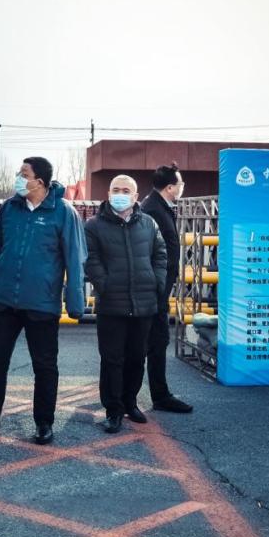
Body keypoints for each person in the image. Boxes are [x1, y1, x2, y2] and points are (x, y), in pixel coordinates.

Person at [0, 157, 86, 445]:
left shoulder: (63, 212)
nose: (18, 178)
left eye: (24, 174)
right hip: (6, 300)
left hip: (42, 304)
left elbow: (75, 258)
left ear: (39, 182)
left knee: (44, 366)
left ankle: (44, 423)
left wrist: (75, 304)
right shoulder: (10, 208)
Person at [85, 175, 167, 434]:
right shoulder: (94, 225)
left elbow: (160, 255)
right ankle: (113, 410)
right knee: (112, 359)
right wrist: (105, 284)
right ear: (109, 193)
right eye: (116, 190)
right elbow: (91, 260)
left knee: (136, 357)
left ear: (135, 196)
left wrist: (157, 283)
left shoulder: (149, 223)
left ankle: (130, 402)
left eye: (126, 190)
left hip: (144, 303)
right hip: (112, 304)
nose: (120, 194)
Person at [139, 164, 194, 413]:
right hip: (153, 289)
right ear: (170, 187)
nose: (182, 188)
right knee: (154, 341)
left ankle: (154, 394)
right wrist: (158, 284)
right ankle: (158, 396)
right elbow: (151, 252)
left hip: (158, 287)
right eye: (180, 184)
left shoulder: (159, 206)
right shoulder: (152, 209)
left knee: (155, 341)